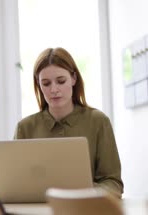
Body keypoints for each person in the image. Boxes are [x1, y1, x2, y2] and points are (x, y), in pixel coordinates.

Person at [14, 47, 124, 197]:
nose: (54, 89)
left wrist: (83, 192)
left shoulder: (99, 121)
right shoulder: (24, 128)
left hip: (85, 209)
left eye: (61, 81)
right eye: (46, 83)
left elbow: (113, 183)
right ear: (38, 85)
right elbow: (16, 183)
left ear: (73, 78)